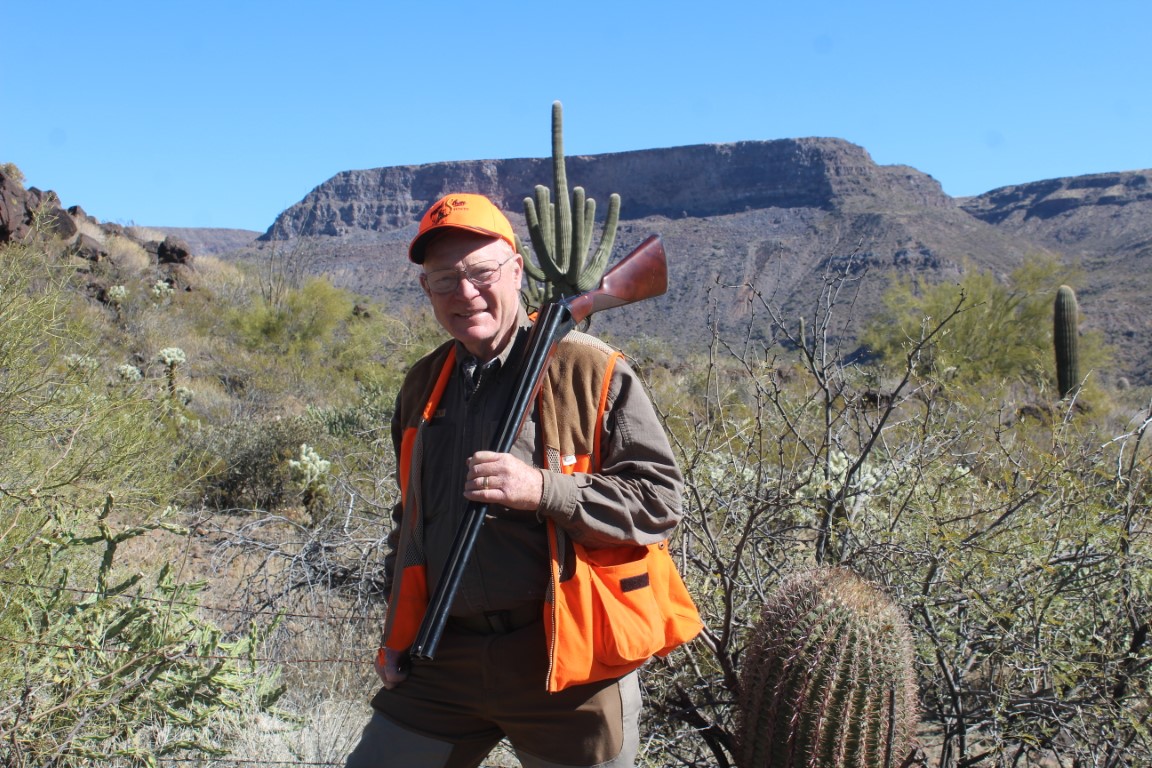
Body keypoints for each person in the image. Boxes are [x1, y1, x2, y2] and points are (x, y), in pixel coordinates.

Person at [344, 193, 691, 768]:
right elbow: (410, 522)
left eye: (481, 272)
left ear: (516, 271)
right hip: (442, 656)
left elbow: (659, 503)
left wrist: (542, 490)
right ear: (426, 291)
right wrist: (395, 631)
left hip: (565, 656)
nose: (465, 292)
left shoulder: (589, 367)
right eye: (444, 279)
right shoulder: (423, 385)